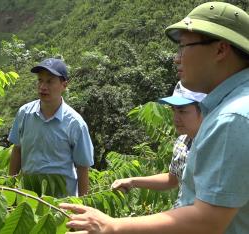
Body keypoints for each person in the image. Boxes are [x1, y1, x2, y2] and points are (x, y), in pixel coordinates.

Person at [60, 2, 249, 233]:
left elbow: (207, 220)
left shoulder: (232, 118)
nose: (177, 58)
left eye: (183, 47)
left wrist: (112, 225)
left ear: (220, 50)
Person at [8, 58, 94, 197]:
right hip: (28, 198)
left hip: (61, 203)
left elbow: (82, 168)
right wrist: (10, 189)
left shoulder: (75, 123)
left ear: (64, 85)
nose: (43, 86)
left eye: (49, 81)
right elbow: (17, 150)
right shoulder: (24, 113)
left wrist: (83, 206)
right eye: (40, 80)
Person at [111, 81, 205, 208]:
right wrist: (132, 182)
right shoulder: (182, 142)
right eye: (174, 110)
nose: (176, 118)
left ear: (204, 110)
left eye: (182, 111)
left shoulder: (214, 146)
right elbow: (172, 180)